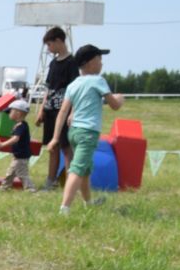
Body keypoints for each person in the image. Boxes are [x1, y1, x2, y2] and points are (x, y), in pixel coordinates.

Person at [48, 44, 123, 213]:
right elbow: (114, 105)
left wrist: (55, 137)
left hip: (73, 132)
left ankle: (88, 203)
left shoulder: (74, 84)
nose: (102, 64)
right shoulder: (99, 80)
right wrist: (120, 98)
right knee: (77, 170)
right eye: (99, 60)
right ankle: (64, 208)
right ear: (90, 63)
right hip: (88, 133)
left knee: (85, 170)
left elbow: (63, 112)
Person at [34, 27, 78, 188]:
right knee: (52, 147)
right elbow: (48, 89)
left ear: (59, 41)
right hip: (50, 111)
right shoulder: (53, 63)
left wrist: (72, 112)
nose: (48, 49)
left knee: (66, 148)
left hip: (64, 111)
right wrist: (42, 109)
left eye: (49, 45)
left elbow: (75, 90)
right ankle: (50, 182)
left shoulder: (72, 62)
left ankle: (71, 182)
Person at [0, 96, 34, 189]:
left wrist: (2, 145)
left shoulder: (21, 126)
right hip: (18, 155)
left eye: (11, 111)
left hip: (21, 156)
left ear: (18, 113)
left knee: (22, 174)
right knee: (10, 173)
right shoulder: (19, 125)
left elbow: (15, 139)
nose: (9, 114)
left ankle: (30, 189)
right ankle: (4, 187)